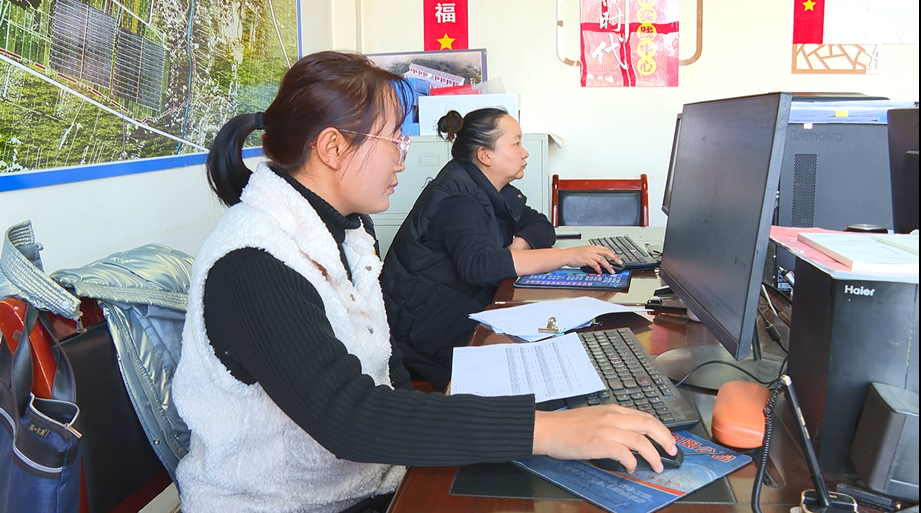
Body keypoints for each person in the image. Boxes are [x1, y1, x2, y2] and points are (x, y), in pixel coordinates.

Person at [171, 51, 674, 513]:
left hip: (363, 478)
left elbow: (385, 367)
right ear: (332, 147)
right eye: (395, 139)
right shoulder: (254, 263)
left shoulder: (346, 231)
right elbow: (349, 417)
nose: (402, 157)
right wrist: (549, 430)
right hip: (284, 504)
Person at [381, 108, 622, 391]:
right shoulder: (458, 197)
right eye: (516, 143)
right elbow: (481, 265)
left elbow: (541, 225)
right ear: (485, 155)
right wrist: (568, 256)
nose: (525, 153)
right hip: (428, 333)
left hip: (461, 311)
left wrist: (518, 246)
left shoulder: (491, 188)